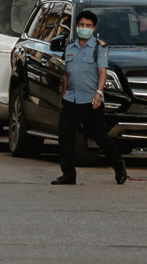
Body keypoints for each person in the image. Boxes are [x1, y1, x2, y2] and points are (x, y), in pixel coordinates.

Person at [54, 10, 128, 186]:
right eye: (81, 25)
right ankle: (68, 174)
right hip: (71, 99)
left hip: (91, 100)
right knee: (65, 137)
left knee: (100, 136)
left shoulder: (99, 48)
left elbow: (102, 72)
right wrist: (63, 97)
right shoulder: (70, 48)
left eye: (88, 25)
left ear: (94, 28)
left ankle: (119, 165)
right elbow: (66, 74)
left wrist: (98, 93)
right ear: (76, 26)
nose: (84, 28)